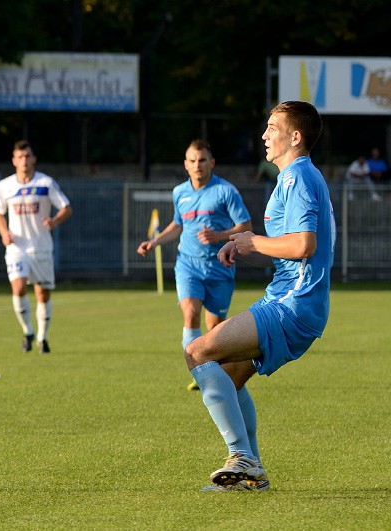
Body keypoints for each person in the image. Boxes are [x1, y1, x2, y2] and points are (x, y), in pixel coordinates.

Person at [185, 101, 335, 493]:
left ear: (295, 137)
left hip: (293, 304)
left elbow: (304, 244)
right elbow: (289, 251)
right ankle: (252, 474)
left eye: (273, 127)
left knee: (198, 352)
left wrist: (254, 240)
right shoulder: (294, 177)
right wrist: (248, 249)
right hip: (287, 298)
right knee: (230, 379)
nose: (265, 135)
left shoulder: (298, 176)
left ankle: (243, 457)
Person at [137, 139, 252, 392]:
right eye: (192, 160)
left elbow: (245, 226)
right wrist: (154, 242)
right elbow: (177, 225)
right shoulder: (180, 192)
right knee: (190, 313)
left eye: (202, 160)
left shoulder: (226, 191)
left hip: (220, 267)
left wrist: (219, 236)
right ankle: (200, 373)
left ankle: (217, 372)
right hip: (188, 264)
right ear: (186, 165)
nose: (197, 165)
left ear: (212, 162)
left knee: (215, 328)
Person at [0, 139, 72, 354]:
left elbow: (66, 207)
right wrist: (3, 233)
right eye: (20, 157)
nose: (24, 160)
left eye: (27, 156)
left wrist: (55, 221)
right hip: (17, 248)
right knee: (18, 288)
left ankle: (42, 338)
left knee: (42, 295)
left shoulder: (45, 183)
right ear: (13, 161)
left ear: (33, 159)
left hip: (41, 247)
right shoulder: (5, 186)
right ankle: (27, 332)